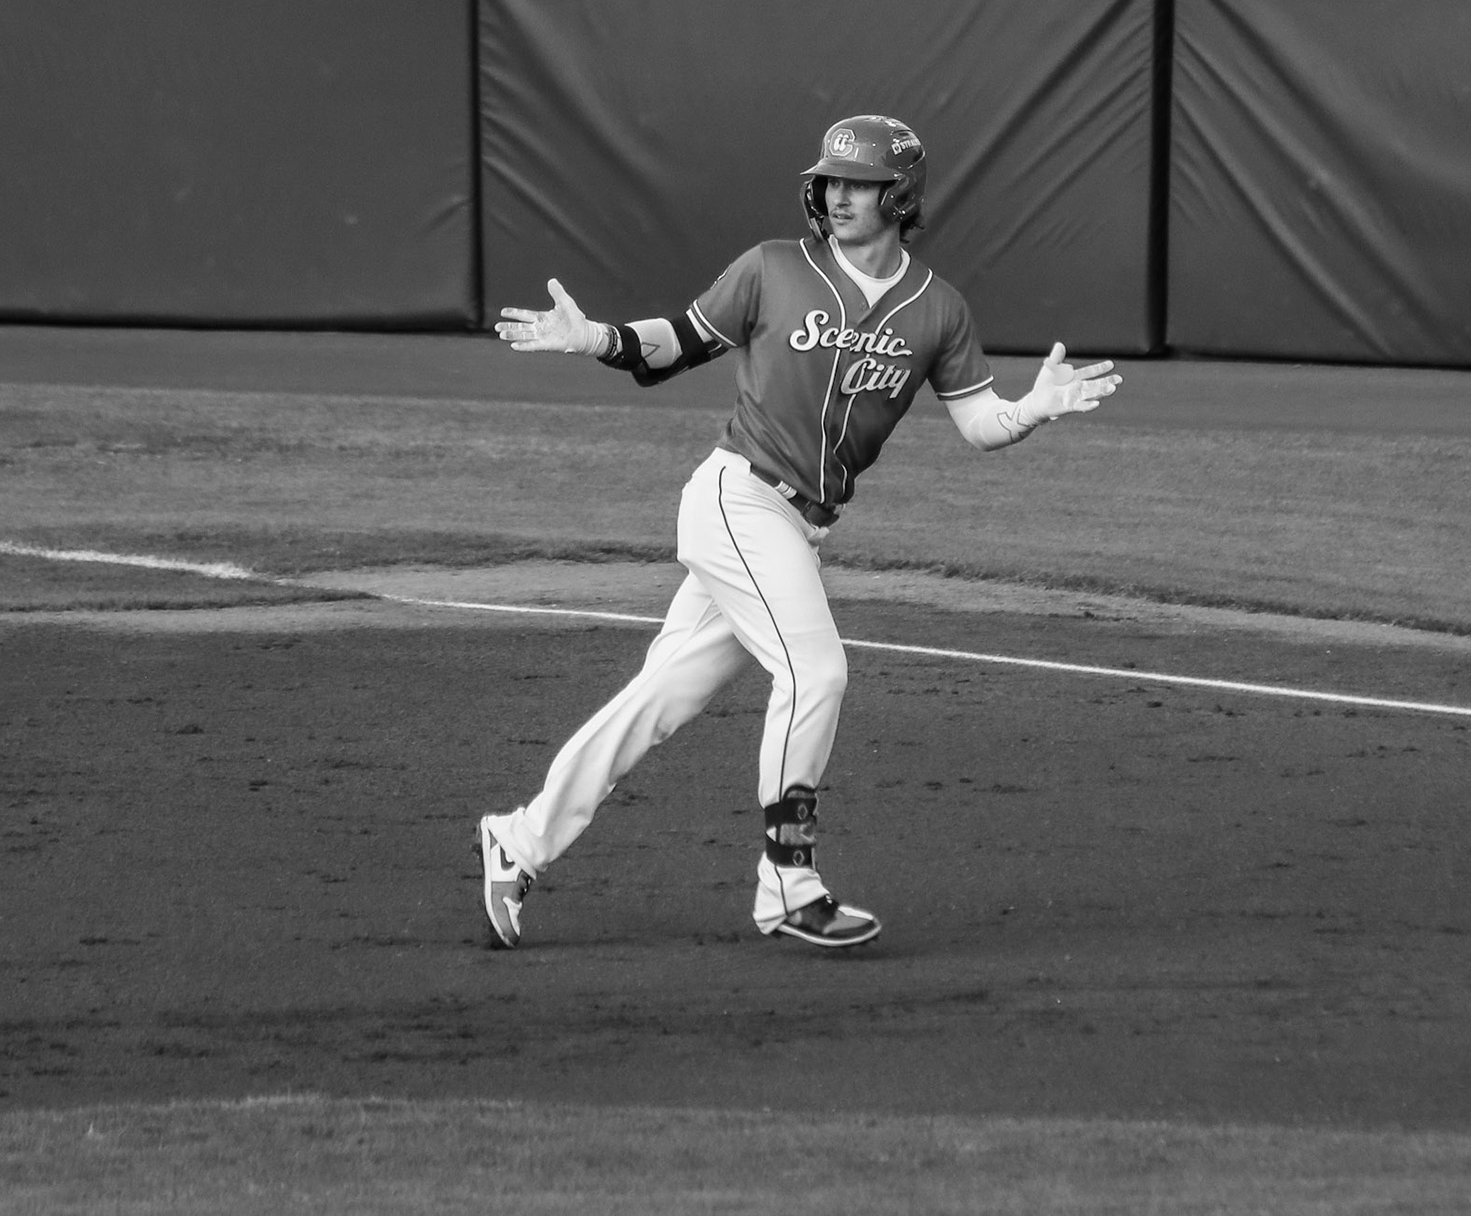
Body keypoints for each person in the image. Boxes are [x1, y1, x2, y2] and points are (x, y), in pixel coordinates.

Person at [477, 114, 1122, 950]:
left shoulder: (939, 311)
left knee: (658, 701)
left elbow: (980, 424)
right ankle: (788, 880)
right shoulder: (775, 268)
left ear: (901, 195)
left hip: (798, 526)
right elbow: (673, 343)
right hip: (736, 500)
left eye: (858, 182)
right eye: (832, 180)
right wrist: (596, 337)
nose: (838, 194)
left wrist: (1034, 408)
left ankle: (518, 840)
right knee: (816, 671)